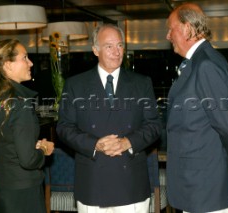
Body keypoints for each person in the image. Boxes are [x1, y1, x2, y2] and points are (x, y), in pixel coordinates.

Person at [56, 23, 162, 213]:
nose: (116, 51)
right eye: (109, 46)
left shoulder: (141, 83)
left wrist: (127, 142)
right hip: (92, 183)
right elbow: (64, 127)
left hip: (131, 184)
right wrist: (95, 144)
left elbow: (154, 125)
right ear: (95, 50)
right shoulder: (75, 85)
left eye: (120, 45)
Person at [165, 3, 228, 213]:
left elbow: (226, 125)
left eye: (171, 29)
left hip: (204, 186)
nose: (168, 36)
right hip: (196, 185)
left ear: (187, 29)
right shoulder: (197, 62)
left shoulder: (206, 65)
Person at [0, 39, 54, 213]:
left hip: (0, 188)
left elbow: (8, 142)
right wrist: (44, 150)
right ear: (8, 65)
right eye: (25, 58)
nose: (30, 63)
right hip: (22, 193)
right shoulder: (20, 103)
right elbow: (28, 160)